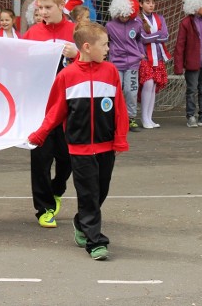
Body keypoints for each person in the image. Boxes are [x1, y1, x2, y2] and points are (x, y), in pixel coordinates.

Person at [28, 21, 129, 261]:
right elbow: (55, 111)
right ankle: (96, 242)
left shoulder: (111, 72)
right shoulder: (67, 76)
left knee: (100, 192)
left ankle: (81, 223)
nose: (108, 49)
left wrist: (120, 139)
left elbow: (120, 110)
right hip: (80, 149)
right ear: (87, 46)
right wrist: (40, 134)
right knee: (88, 194)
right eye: (104, 44)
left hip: (106, 147)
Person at [22, 0, 78, 228]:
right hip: (40, 108)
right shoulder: (33, 33)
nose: (42, 12)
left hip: (70, 108)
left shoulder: (76, 32)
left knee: (68, 159)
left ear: (61, 6)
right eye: (40, 7)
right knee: (41, 159)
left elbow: (95, 58)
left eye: (48, 7)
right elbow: (18, 61)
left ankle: (58, 187)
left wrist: (77, 54)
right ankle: (43, 208)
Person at [173, 0, 202, 128]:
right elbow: (180, 45)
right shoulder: (186, 23)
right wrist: (178, 66)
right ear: (195, 6)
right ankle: (191, 115)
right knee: (191, 90)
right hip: (192, 63)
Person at [106, 0, 145, 132]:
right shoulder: (110, 26)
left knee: (131, 90)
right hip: (116, 62)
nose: (124, 17)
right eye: (122, 14)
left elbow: (140, 39)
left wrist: (141, 53)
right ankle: (114, 117)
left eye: (127, 15)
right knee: (116, 90)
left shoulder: (136, 24)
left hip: (133, 62)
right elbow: (106, 41)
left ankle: (131, 118)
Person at [138, 0, 171, 129]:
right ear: (141, 4)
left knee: (153, 86)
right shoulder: (138, 19)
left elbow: (166, 36)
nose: (151, 5)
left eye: (152, 2)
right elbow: (143, 38)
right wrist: (157, 35)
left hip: (157, 56)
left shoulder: (159, 18)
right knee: (148, 83)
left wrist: (152, 35)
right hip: (145, 56)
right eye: (147, 2)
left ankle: (149, 117)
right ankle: (144, 117)